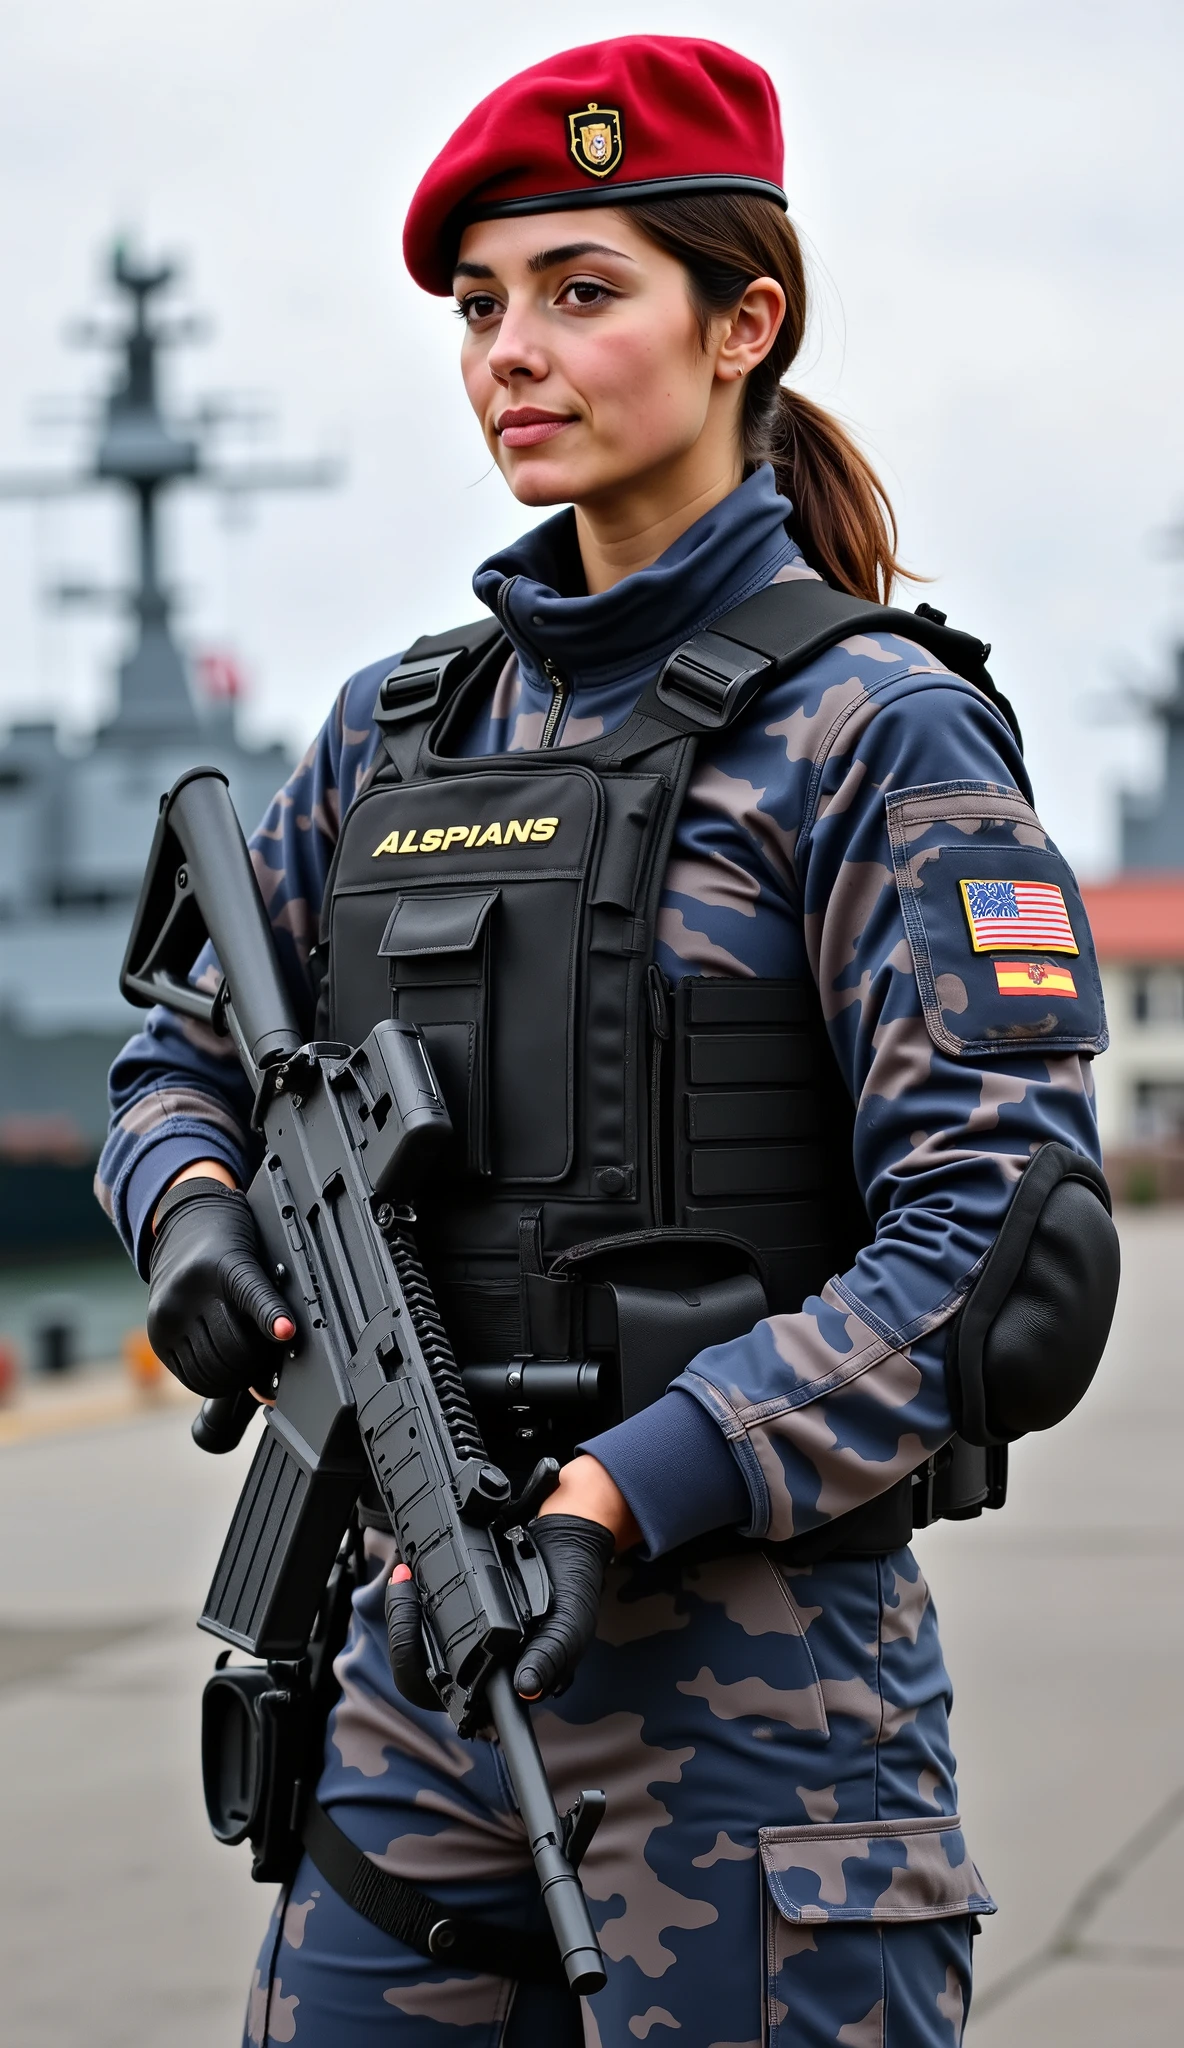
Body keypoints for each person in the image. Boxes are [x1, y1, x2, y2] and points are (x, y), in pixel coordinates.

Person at [98, 35, 1116, 2048]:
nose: (512, 355)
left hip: (755, 1739)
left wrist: (625, 1488)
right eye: (481, 308)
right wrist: (196, 1226)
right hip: (407, 1697)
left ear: (744, 322)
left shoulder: (871, 734)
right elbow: (181, 1059)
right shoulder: (397, 741)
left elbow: (994, 1240)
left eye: (581, 292)